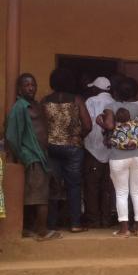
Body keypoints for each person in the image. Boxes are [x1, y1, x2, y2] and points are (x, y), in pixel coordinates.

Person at [96, 77, 138, 237]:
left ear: (115, 92)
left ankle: (124, 229)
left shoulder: (111, 106)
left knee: (122, 192)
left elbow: (109, 125)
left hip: (118, 156)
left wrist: (100, 122)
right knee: (137, 192)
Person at [6, 73, 61, 240]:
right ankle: (42, 231)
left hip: (42, 154)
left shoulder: (35, 105)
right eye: (27, 85)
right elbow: (12, 136)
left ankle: (30, 227)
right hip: (32, 155)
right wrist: (23, 155)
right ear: (20, 88)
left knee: (39, 193)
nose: (31, 88)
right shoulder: (19, 107)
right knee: (40, 195)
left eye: (33, 85)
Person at [43, 68, 92, 233]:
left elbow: (40, 127)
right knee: (74, 186)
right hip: (73, 148)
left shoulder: (45, 100)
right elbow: (87, 125)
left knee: (52, 185)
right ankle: (75, 223)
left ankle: (51, 224)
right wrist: (78, 138)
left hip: (50, 147)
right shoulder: (77, 100)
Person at [83, 77, 115, 228]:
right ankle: (107, 219)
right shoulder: (114, 103)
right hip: (111, 151)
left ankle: (93, 219)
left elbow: (86, 123)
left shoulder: (90, 101)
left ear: (96, 89)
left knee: (92, 186)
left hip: (92, 149)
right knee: (108, 187)